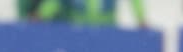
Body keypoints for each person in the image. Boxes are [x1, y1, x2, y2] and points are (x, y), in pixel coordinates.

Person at [18, 0, 147, 27]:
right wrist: (40, 15)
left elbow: (135, 1)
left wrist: (141, 18)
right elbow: (57, 2)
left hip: (107, 32)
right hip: (79, 33)